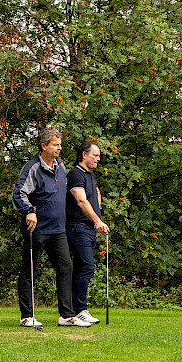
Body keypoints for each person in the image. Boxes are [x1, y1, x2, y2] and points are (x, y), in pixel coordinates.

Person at [12, 129, 91, 328]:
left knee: (66, 267)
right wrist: (29, 211)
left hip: (58, 229)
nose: (59, 148)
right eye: (56, 144)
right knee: (29, 271)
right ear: (44, 146)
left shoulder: (61, 167)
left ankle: (66, 315)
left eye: (60, 144)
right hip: (36, 228)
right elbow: (19, 193)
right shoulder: (32, 168)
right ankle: (27, 316)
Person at [66, 141, 110, 324]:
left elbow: (95, 193)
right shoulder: (76, 174)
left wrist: (98, 206)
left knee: (82, 268)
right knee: (86, 267)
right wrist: (97, 220)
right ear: (84, 155)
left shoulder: (90, 175)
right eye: (95, 155)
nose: (98, 159)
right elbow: (81, 200)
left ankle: (78, 309)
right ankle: (80, 309)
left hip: (87, 228)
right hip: (78, 226)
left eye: (98, 156)